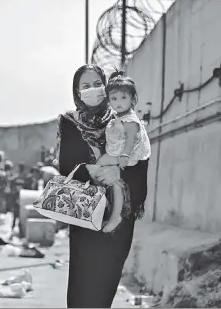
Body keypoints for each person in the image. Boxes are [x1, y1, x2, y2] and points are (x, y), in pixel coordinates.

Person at [56, 64, 148, 308]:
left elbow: (141, 160)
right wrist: (96, 171)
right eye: (85, 86)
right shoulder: (70, 122)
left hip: (120, 217)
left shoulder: (124, 118)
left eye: (98, 84)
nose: (93, 90)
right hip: (86, 212)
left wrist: (119, 171)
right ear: (77, 91)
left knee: (107, 279)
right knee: (83, 282)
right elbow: (67, 166)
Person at [94, 71, 151, 232]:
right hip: (122, 155)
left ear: (133, 99)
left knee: (99, 166)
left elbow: (131, 140)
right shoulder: (119, 117)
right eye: (114, 98)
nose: (118, 102)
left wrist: (124, 155)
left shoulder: (130, 121)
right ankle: (114, 212)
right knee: (114, 184)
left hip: (129, 156)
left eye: (123, 98)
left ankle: (102, 196)